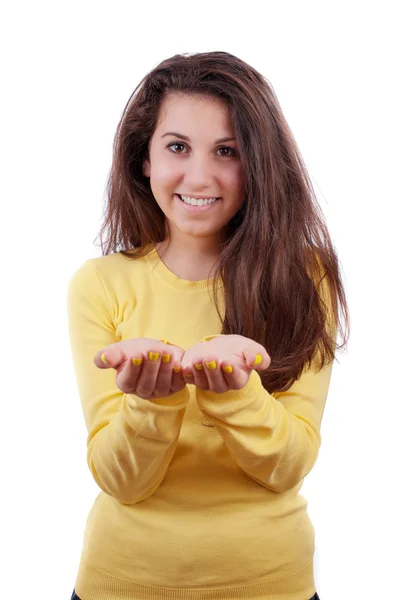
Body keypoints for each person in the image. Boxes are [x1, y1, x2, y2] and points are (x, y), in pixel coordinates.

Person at [67, 51, 350, 600]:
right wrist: (152, 404)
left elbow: (289, 464)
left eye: (227, 151)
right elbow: (119, 479)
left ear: (260, 163)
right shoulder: (98, 284)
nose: (199, 175)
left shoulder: (305, 276)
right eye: (177, 147)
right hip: (121, 582)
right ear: (143, 158)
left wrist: (238, 395)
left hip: (273, 583)